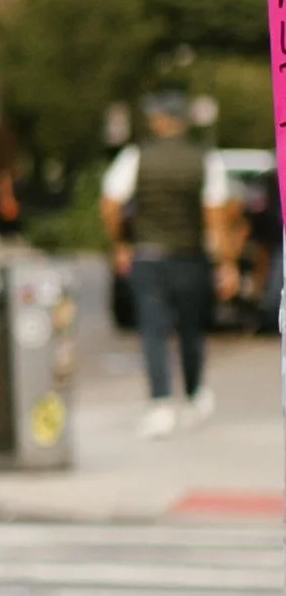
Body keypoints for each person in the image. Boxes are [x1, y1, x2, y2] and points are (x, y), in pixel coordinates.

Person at [102, 96, 227, 437]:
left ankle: (160, 403)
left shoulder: (136, 156)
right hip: (190, 253)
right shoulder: (204, 158)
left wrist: (121, 243)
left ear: (161, 121)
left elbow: (111, 203)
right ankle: (194, 393)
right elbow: (214, 213)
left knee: (153, 330)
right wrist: (223, 260)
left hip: (148, 253)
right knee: (191, 328)